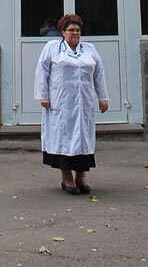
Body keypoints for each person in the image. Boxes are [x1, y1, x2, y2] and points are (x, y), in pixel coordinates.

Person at [34, 13, 109, 195]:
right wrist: (43, 95)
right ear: (63, 32)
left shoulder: (89, 49)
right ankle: (66, 177)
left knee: (82, 139)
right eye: (70, 30)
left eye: (77, 30)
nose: (74, 33)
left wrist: (103, 98)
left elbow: (99, 73)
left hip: (83, 103)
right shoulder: (52, 48)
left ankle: (81, 176)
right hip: (61, 103)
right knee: (64, 139)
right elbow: (41, 70)